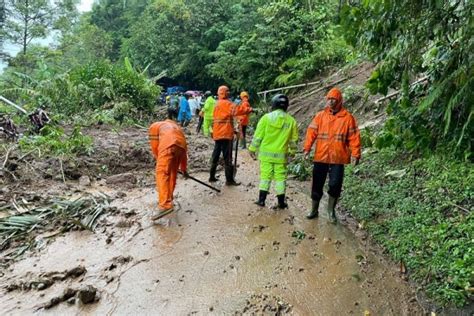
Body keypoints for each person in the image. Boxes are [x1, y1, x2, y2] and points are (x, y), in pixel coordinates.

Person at [303, 87, 361, 223]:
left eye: (333, 99)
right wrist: (307, 148)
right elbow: (311, 133)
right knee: (317, 184)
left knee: (335, 185)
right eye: (329, 99)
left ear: (339, 100)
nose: (331, 101)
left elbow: (354, 137)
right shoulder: (320, 116)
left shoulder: (347, 118)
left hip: (338, 158)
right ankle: (314, 209)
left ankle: (331, 211)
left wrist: (356, 154)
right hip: (321, 156)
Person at [249, 94, 298, 209]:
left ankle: (261, 200)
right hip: (281, 157)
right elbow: (293, 140)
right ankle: (281, 203)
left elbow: (258, 136)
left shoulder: (266, 118)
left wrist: (252, 149)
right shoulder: (291, 121)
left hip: (266, 155)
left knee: (265, 177)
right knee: (280, 178)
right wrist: (292, 152)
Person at [209, 85, 252, 185]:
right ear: (224, 93)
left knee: (215, 154)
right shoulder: (227, 104)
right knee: (227, 157)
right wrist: (249, 109)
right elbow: (238, 110)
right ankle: (229, 180)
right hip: (225, 134)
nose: (229, 93)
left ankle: (211, 176)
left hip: (217, 134)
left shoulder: (217, 104)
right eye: (227, 91)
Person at [148, 114, 189, 220]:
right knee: (172, 173)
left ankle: (165, 205)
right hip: (180, 147)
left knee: (162, 173)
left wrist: (159, 160)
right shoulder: (177, 129)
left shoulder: (155, 126)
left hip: (167, 146)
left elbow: (155, 146)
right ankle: (168, 198)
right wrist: (184, 169)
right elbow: (184, 153)